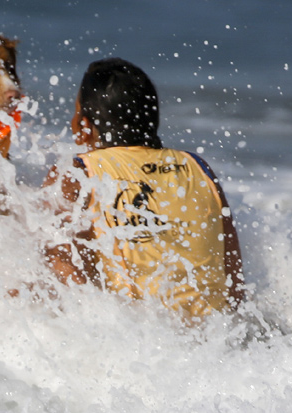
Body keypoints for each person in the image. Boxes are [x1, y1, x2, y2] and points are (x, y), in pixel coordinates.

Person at [43, 58, 246, 319]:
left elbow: (59, 266)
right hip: (216, 338)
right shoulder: (198, 167)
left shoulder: (78, 172)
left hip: (139, 343)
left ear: (83, 126)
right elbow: (234, 276)